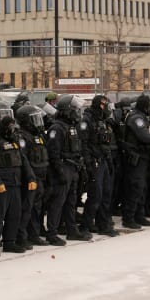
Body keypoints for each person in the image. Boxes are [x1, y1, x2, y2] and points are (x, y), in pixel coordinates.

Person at [0, 111, 36, 257]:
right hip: (1, 186)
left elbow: (23, 161)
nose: (12, 129)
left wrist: (31, 178)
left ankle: (9, 242)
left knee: (14, 215)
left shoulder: (15, 141)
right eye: (10, 126)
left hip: (15, 184)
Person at [45, 94, 92, 245]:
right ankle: (51, 233)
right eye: (75, 109)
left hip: (73, 167)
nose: (78, 112)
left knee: (71, 202)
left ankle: (72, 231)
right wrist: (59, 172)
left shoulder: (71, 126)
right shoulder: (56, 128)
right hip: (64, 168)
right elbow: (53, 153)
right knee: (57, 203)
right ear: (67, 110)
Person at [79, 95, 119, 237]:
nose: (105, 108)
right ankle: (85, 226)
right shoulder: (87, 120)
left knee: (106, 194)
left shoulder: (102, 120)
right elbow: (83, 143)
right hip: (94, 161)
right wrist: (88, 163)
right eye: (103, 105)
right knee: (96, 195)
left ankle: (103, 225)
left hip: (103, 160)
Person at [120, 94, 150, 230]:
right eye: (149, 106)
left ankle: (139, 215)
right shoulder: (136, 118)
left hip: (143, 157)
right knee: (135, 188)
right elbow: (143, 135)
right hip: (135, 158)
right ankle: (129, 218)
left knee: (142, 188)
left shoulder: (141, 116)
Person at [15, 104, 50, 248]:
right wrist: (30, 177)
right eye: (33, 119)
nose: (37, 122)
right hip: (30, 178)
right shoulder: (22, 136)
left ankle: (34, 234)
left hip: (41, 175)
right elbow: (24, 160)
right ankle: (22, 236)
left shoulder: (38, 135)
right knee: (26, 209)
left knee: (37, 208)